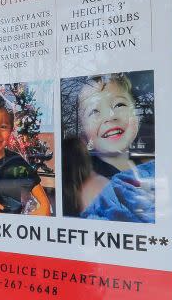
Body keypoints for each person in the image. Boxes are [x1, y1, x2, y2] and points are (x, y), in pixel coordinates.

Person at [63, 74, 155, 222]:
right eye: (94, 111)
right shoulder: (96, 186)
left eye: (119, 105)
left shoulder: (146, 170)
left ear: (136, 115)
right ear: (85, 133)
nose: (109, 117)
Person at [0, 93, 51, 215]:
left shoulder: (16, 162)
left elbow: (43, 202)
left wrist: (44, 207)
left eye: (3, 127)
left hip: (11, 228)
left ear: (11, 129)